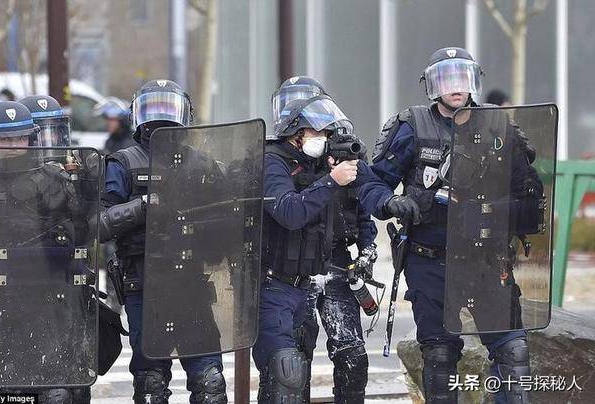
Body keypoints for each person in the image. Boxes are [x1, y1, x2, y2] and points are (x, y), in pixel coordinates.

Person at [359, 47, 540, 403]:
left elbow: (530, 195)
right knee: (440, 357)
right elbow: (372, 182)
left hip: (487, 259)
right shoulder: (412, 126)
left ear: (473, 82)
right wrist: (391, 202)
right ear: (432, 86)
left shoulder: (497, 125)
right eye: (446, 79)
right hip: (430, 259)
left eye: (462, 78)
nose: (455, 87)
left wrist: (487, 211)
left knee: (513, 351)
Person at [0, 101, 94, 403]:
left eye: (19, 138)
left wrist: (87, 191)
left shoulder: (53, 180)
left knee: (52, 389)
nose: (13, 146)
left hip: (41, 301)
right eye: (4, 139)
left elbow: (77, 238)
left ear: (31, 138)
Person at [99, 79, 227, 404]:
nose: (161, 116)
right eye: (153, 108)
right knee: (150, 383)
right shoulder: (123, 163)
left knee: (210, 382)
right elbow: (99, 224)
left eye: (168, 108)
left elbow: (227, 223)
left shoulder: (203, 164)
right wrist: (143, 206)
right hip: (143, 284)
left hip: (192, 283)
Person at [253, 92, 367, 403]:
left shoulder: (317, 165)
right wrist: (331, 180)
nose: (324, 138)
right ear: (295, 132)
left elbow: (358, 206)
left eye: (327, 133)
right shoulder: (272, 162)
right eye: (317, 132)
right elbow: (290, 213)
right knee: (284, 372)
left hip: (305, 284)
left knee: (329, 362)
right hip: (273, 285)